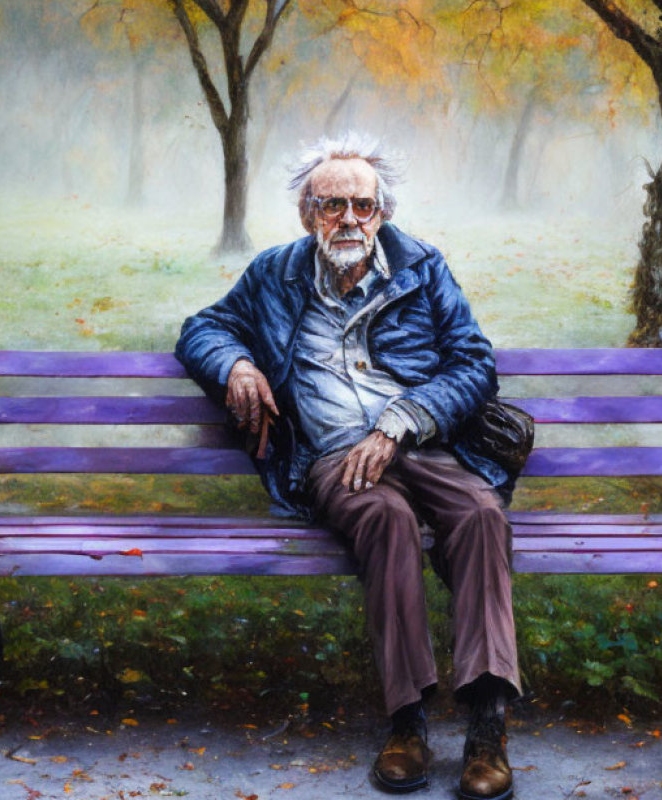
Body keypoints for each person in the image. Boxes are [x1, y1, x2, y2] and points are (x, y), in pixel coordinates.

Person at [175, 133, 521, 800]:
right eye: (332, 206)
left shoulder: (422, 266)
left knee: (481, 514)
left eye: (363, 206)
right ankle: (407, 722)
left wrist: (400, 424)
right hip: (333, 458)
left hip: (418, 441)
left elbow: (475, 364)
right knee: (387, 521)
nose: (349, 221)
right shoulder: (274, 274)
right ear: (308, 214)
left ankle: (487, 721)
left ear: (383, 213)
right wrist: (237, 364)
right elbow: (200, 329)